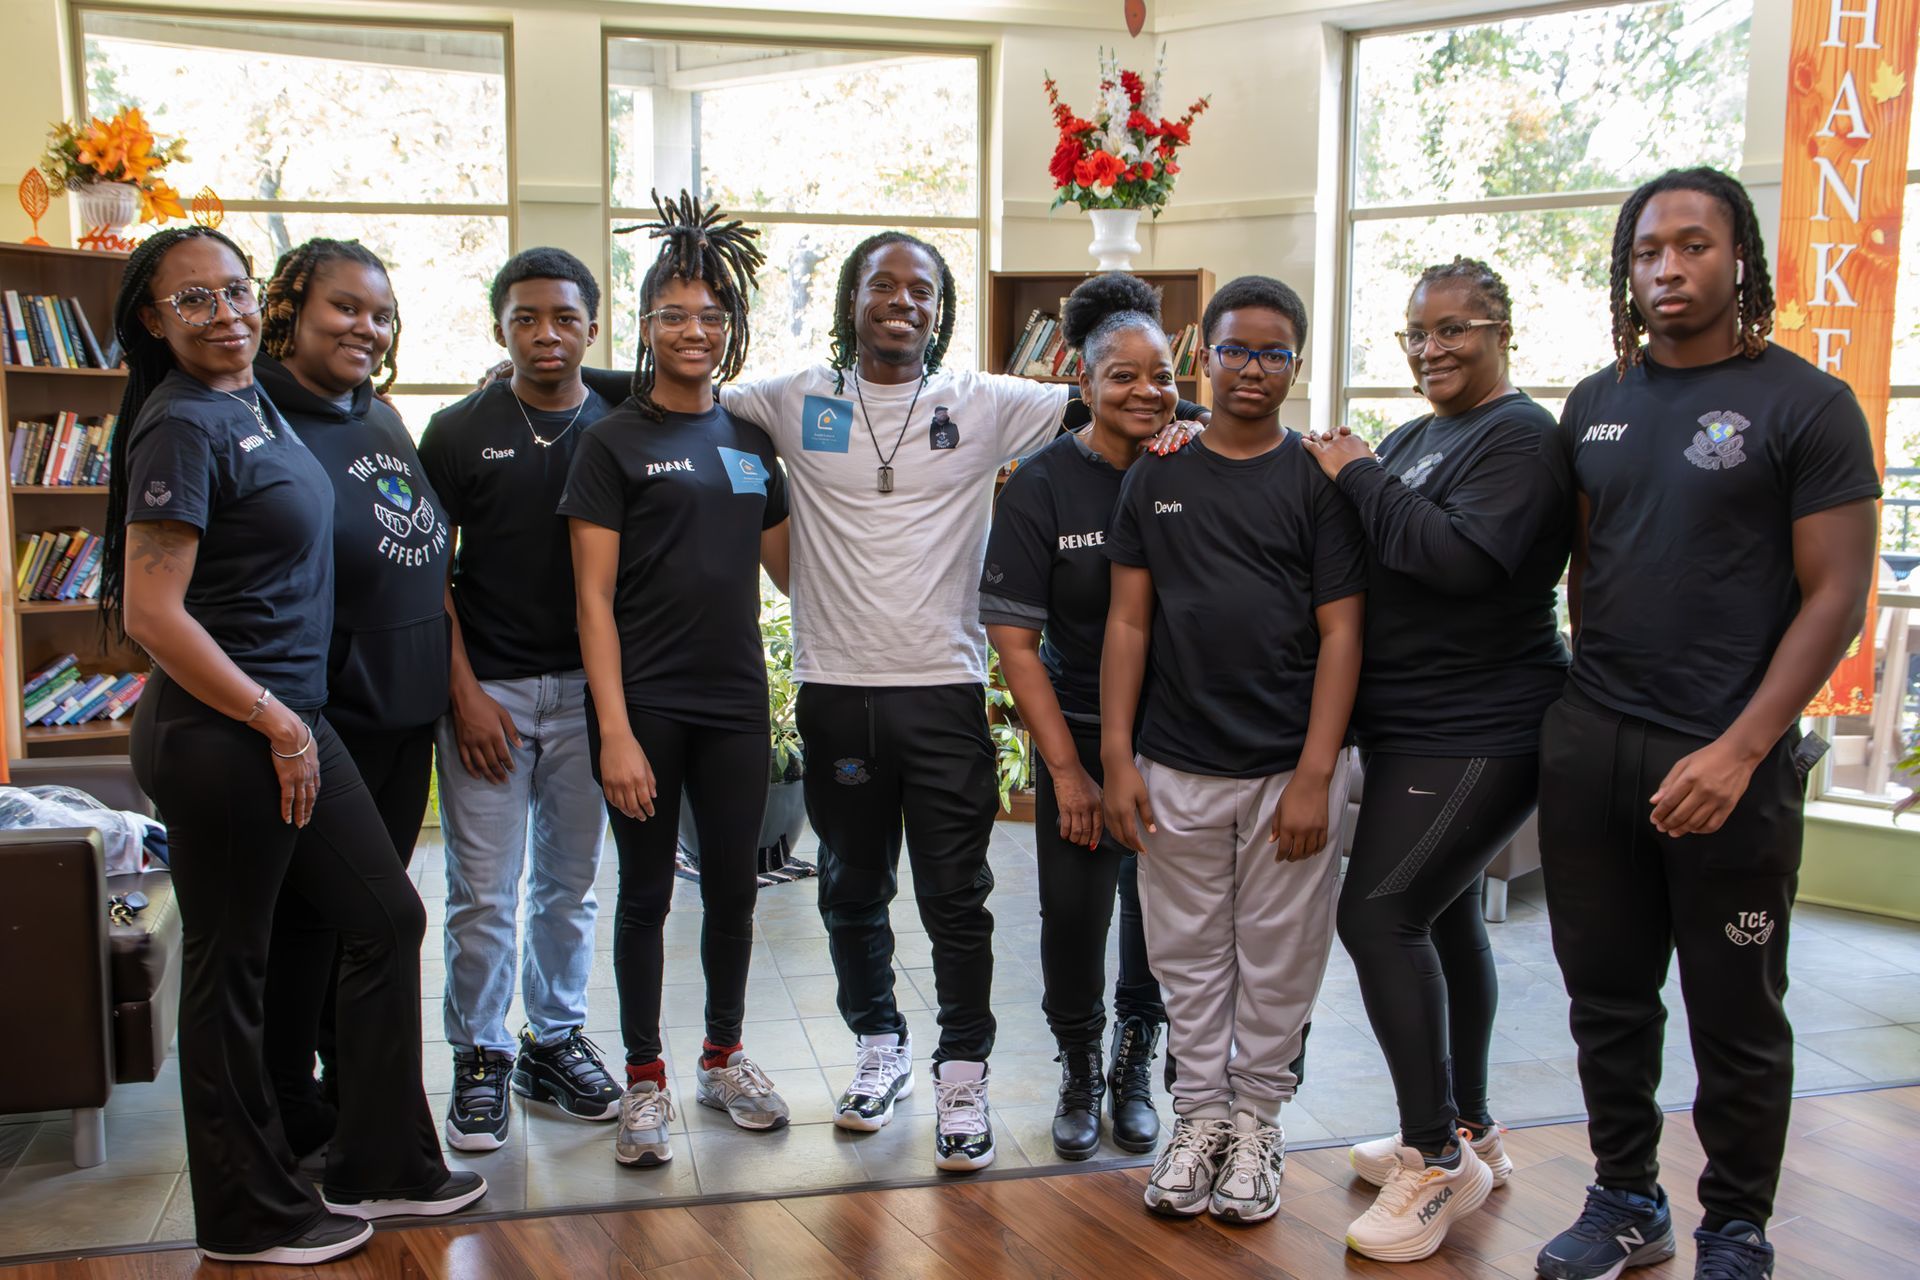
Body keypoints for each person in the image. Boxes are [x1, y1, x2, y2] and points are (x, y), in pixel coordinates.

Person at [717, 233, 1203, 1173]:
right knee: (852, 890)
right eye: (883, 285)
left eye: (924, 290)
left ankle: (964, 1074)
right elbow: (678, 395)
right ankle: (879, 1046)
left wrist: (1188, 420)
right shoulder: (791, 399)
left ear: (941, 311)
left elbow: (1119, 391)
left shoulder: (983, 402)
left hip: (942, 693)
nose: (904, 300)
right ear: (852, 300)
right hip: (836, 690)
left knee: (957, 901)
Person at [108, 226, 482, 1267]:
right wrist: (275, 718)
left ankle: (381, 1158)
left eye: (231, 291)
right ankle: (246, 1212)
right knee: (234, 969)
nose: (220, 313)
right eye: (194, 300)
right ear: (154, 318)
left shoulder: (249, 399)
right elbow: (151, 610)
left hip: (288, 719)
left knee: (381, 913)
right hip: (230, 733)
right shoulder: (182, 423)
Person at [1536, 168, 1878, 1280]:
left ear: (1742, 259)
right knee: (1607, 999)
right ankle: (1628, 1197)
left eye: (1692, 245)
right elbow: (1590, 564)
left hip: (1731, 760)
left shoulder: (1809, 405)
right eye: (1646, 251)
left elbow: (1835, 594)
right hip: (1598, 747)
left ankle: (1736, 1222)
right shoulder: (1596, 401)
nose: (1666, 269)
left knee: (1736, 1010)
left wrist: (1738, 748)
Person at [1303, 257, 1570, 1262]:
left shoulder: (1522, 439)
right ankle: (1469, 1125)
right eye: (1419, 332)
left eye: (1455, 329)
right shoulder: (1418, 436)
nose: (1432, 348)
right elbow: (1368, 547)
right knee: (1444, 913)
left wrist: (1360, 471)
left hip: (1482, 726)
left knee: (1377, 912)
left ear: (1503, 328)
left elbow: (1455, 560)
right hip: (1411, 721)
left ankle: (1432, 1160)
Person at [1101, 274, 1365, 1224]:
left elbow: (1343, 634)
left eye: (1274, 352)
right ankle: (1199, 1119)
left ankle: (1256, 1123)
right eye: (1234, 350)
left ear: (1297, 363)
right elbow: (1128, 626)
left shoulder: (1317, 482)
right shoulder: (1157, 473)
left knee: (1279, 959)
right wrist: (1120, 759)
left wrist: (1314, 775)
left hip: (1288, 774)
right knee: (1187, 958)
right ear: (1198, 357)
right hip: (1174, 764)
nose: (1253, 368)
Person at [559, 192, 794, 1168]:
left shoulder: (749, 439)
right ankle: (645, 1079)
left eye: (709, 316)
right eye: (673, 315)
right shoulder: (612, 441)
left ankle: (723, 1054)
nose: (693, 331)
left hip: (738, 699)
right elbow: (591, 601)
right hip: (645, 704)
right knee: (647, 893)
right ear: (645, 326)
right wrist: (614, 731)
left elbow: (791, 569)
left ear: (730, 328)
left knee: (736, 890)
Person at [418, 248, 622, 1153]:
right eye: (526, 318)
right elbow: (429, 578)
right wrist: (463, 695)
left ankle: (556, 1036)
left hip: (589, 694)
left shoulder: (620, 424)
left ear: (592, 324)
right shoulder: (457, 431)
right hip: (488, 691)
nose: (547, 335)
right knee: (481, 893)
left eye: (565, 318)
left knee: (570, 888)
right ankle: (481, 1055)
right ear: (499, 326)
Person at [254, 238, 452, 1166]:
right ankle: (298, 1112)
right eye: (344, 308)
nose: (365, 328)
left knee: (355, 928)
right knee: (323, 925)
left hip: (401, 718)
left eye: (379, 313)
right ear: (289, 308)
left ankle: (341, 1101)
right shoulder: (257, 418)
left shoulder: (377, 415)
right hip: (324, 719)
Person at [979, 273, 1171, 1161]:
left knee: (1160, 917)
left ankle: (1137, 1059)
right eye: (1120, 376)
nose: (1143, 392)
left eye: (1159, 374)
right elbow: (1017, 641)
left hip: (1183, 743)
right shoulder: (1042, 484)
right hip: (1082, 733)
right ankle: (1078, 1062)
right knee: (1074, 912)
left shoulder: (1195, 464)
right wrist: (1067, 772)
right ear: (1083, 384)